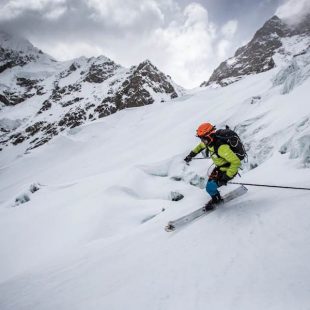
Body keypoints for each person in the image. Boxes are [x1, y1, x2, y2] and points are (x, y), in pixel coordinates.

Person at [184, 122, 241, 210]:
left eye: (203, 139)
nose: (202, 141)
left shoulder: (221, 147)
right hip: (220, 167)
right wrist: (191, 155)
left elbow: (236, 162)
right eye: (201, 139)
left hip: (228, 169)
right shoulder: (209, 142)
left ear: (209, 135)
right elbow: (200, 146)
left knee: (210, 187)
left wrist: (226, 177)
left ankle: (217, 200)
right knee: (209, 187)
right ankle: (217, 198)